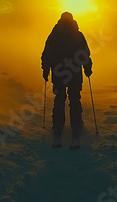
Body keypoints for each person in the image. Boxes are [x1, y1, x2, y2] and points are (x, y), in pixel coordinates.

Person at [41, 12, 93, 150]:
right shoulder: (78, 35)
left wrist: (45, 69)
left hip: (58, 74)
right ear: (72, 20)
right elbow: (85, 54)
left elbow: (47, 53)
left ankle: (58, 126)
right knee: (74, 99)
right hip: (75, 73)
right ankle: (76, 125)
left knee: (59, 99)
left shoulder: (54, 35)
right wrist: (87, 68)